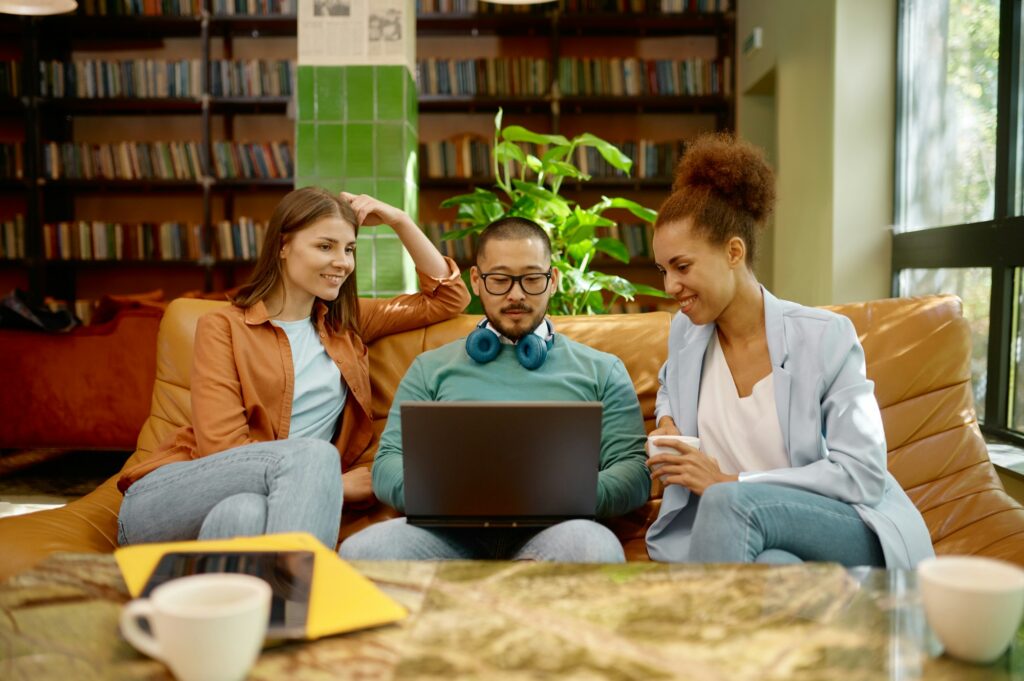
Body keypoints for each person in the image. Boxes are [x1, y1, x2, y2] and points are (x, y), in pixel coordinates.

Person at [116, 187, 471, 550]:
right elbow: (223, 451)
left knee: (243, 515)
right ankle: (307, 593)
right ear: (283, 246)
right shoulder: (223, 328)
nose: (342, 262)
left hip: (261, 505)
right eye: (325, 246)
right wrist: (330, 482)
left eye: (349, 249)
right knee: (313, 456)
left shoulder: (345, 324)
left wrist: (400, 220)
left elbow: (448, 298)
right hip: (175, 496)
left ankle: (262, 602)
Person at [644, 134, 934, 568]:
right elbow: (669, 382)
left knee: (727, 502)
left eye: (682, 267)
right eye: (664, 270)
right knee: (774, 568)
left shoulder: (826, 338)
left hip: (846, 524)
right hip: (755, 536)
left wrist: (731, 482)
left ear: (733, 252)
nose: (670, 287)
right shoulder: (687, 335)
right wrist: (666, 418)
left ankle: (694, 632)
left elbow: (863, 474)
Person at [339, 217, 651, 562]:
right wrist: (445, 495)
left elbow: (633, 471)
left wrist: (564, 496)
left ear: (553, 281)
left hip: (559, 531)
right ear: (476, 281)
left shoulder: (602, 370)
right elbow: (387, 465)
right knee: (361, 551)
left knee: (595, 549)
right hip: (445, 534)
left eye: (532, 279)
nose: (516, 295)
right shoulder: (430, 368)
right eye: (500, 280)